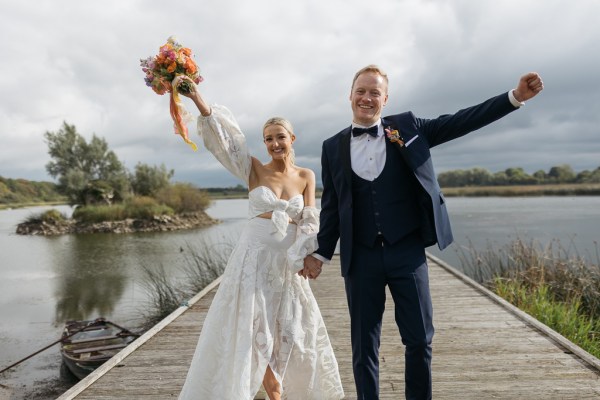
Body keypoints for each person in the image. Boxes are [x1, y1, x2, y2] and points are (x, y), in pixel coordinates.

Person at [303, 65, 544, 400]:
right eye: (361, 90)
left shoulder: (408, 128)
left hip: (407, 252)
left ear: (385, 99)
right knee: (363, 347)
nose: (367, 97)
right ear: (350, 94)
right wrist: (320, 253)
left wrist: (515, 97)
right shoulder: (332, 147)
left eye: (375, 92)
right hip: (361, 256)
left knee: (419, 339)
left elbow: (461, 120)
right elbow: (331, 206)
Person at [174, 75, 344, 400]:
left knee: (289, 330)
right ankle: (273, 390)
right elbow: (227, 143)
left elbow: (309, 219)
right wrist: (197, 98)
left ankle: (278, 387)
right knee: (252, 328)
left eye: (280, 137)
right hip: (253, 261)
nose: (274, 143)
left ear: (292, 138)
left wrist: (308, 255)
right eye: (268, 139)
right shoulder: (253, 169)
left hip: (287, 264)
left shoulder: (306, 175)